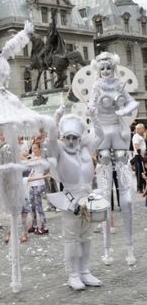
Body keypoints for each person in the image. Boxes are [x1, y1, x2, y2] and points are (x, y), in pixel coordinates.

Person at [87, 51, 139, 265]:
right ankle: (107, 250)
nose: (106, 71)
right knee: (105, 200)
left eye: (109, 68)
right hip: (102, 134)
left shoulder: (119, 84)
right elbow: (91, 107)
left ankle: (129, 248)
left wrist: (122, 111)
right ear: (99, 71)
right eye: (103, 69)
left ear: (113, 68)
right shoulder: (96, 87)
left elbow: (133, 103)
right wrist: (91, 111)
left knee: (126, 200)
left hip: (118, 132)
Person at [47, 107, 107, 290]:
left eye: (74, 137)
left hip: (88, 198)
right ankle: (73, 274)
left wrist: (94, 116)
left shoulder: (86, 149)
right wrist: (56, 119)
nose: (71, 141)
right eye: (68, 137)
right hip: (70, 199)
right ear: (63, 137)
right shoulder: (59, 150)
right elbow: (50, 140)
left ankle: (84, 271)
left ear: (79, 138)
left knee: (86, 236)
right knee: (71, 238)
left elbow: (100, 135)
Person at [27, 142, 50, 235]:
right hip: (32, 183)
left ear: (40, 149)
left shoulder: (42, 159)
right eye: (32, 148)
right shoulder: (33, 158)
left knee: (38, 206)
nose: (33, 150)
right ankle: (34, 225)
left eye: (35, 148)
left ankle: (44, 226)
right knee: (32, 206)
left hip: (39, 183)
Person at [131, 123, 146, 193]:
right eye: (143, 128)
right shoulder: (136, 136)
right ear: (139, 129)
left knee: (143, 172)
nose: (144, 130)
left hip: (142, 156)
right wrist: (141, 156)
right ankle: (139, 188)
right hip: (139, 156)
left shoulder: (141, 136)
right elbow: (137, 146)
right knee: (140, 172)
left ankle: (143, 186)